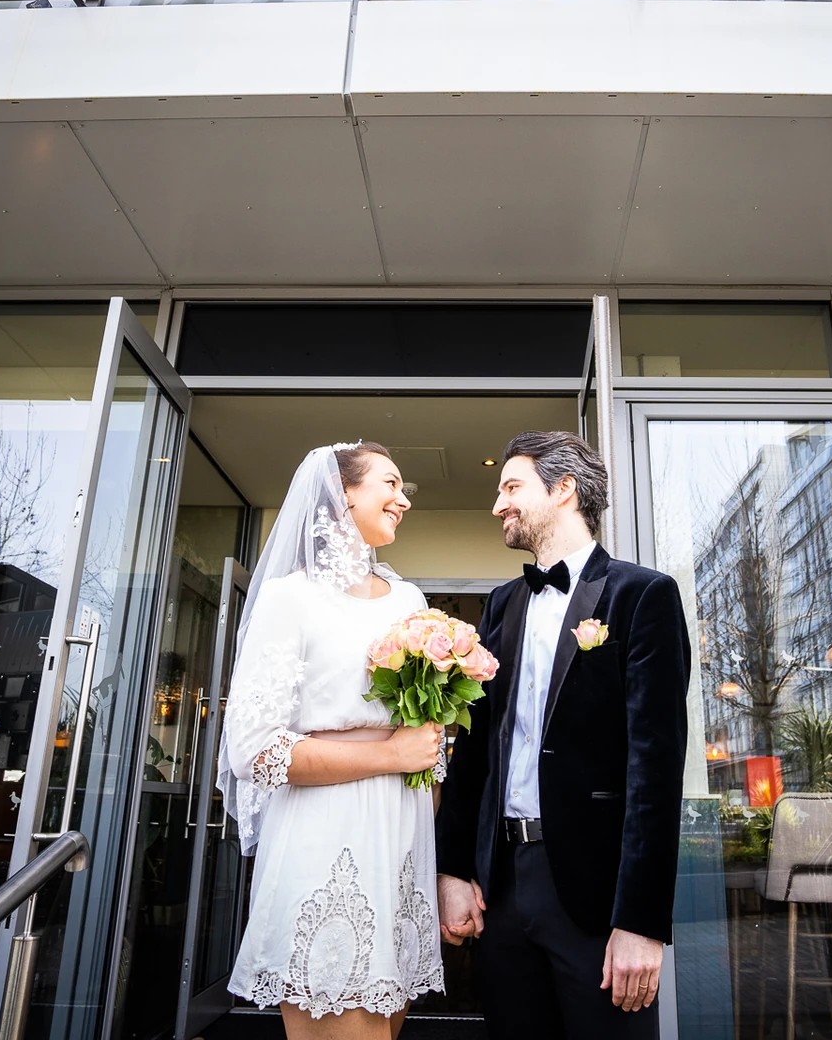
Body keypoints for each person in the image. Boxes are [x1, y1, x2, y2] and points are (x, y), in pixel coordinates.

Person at [435, 431, 692, 1039]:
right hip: (501, 887)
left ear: (564, 489)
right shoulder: (500, 605)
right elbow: (472, 752)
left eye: (511, 487)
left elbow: (654, 772)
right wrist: (453, 872)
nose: (498, 504)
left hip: (595, 897)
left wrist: (641, 922)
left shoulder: (643, 595)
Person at [219, 442, 446, 1038]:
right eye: (390, 484)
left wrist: (425, 770)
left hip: (401, 844)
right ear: (344, 493)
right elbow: (254, 749)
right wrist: (390, 755)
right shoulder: (290, 597)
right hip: (326, 836)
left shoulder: (409, 600)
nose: (403, 500)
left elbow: (424, 732)